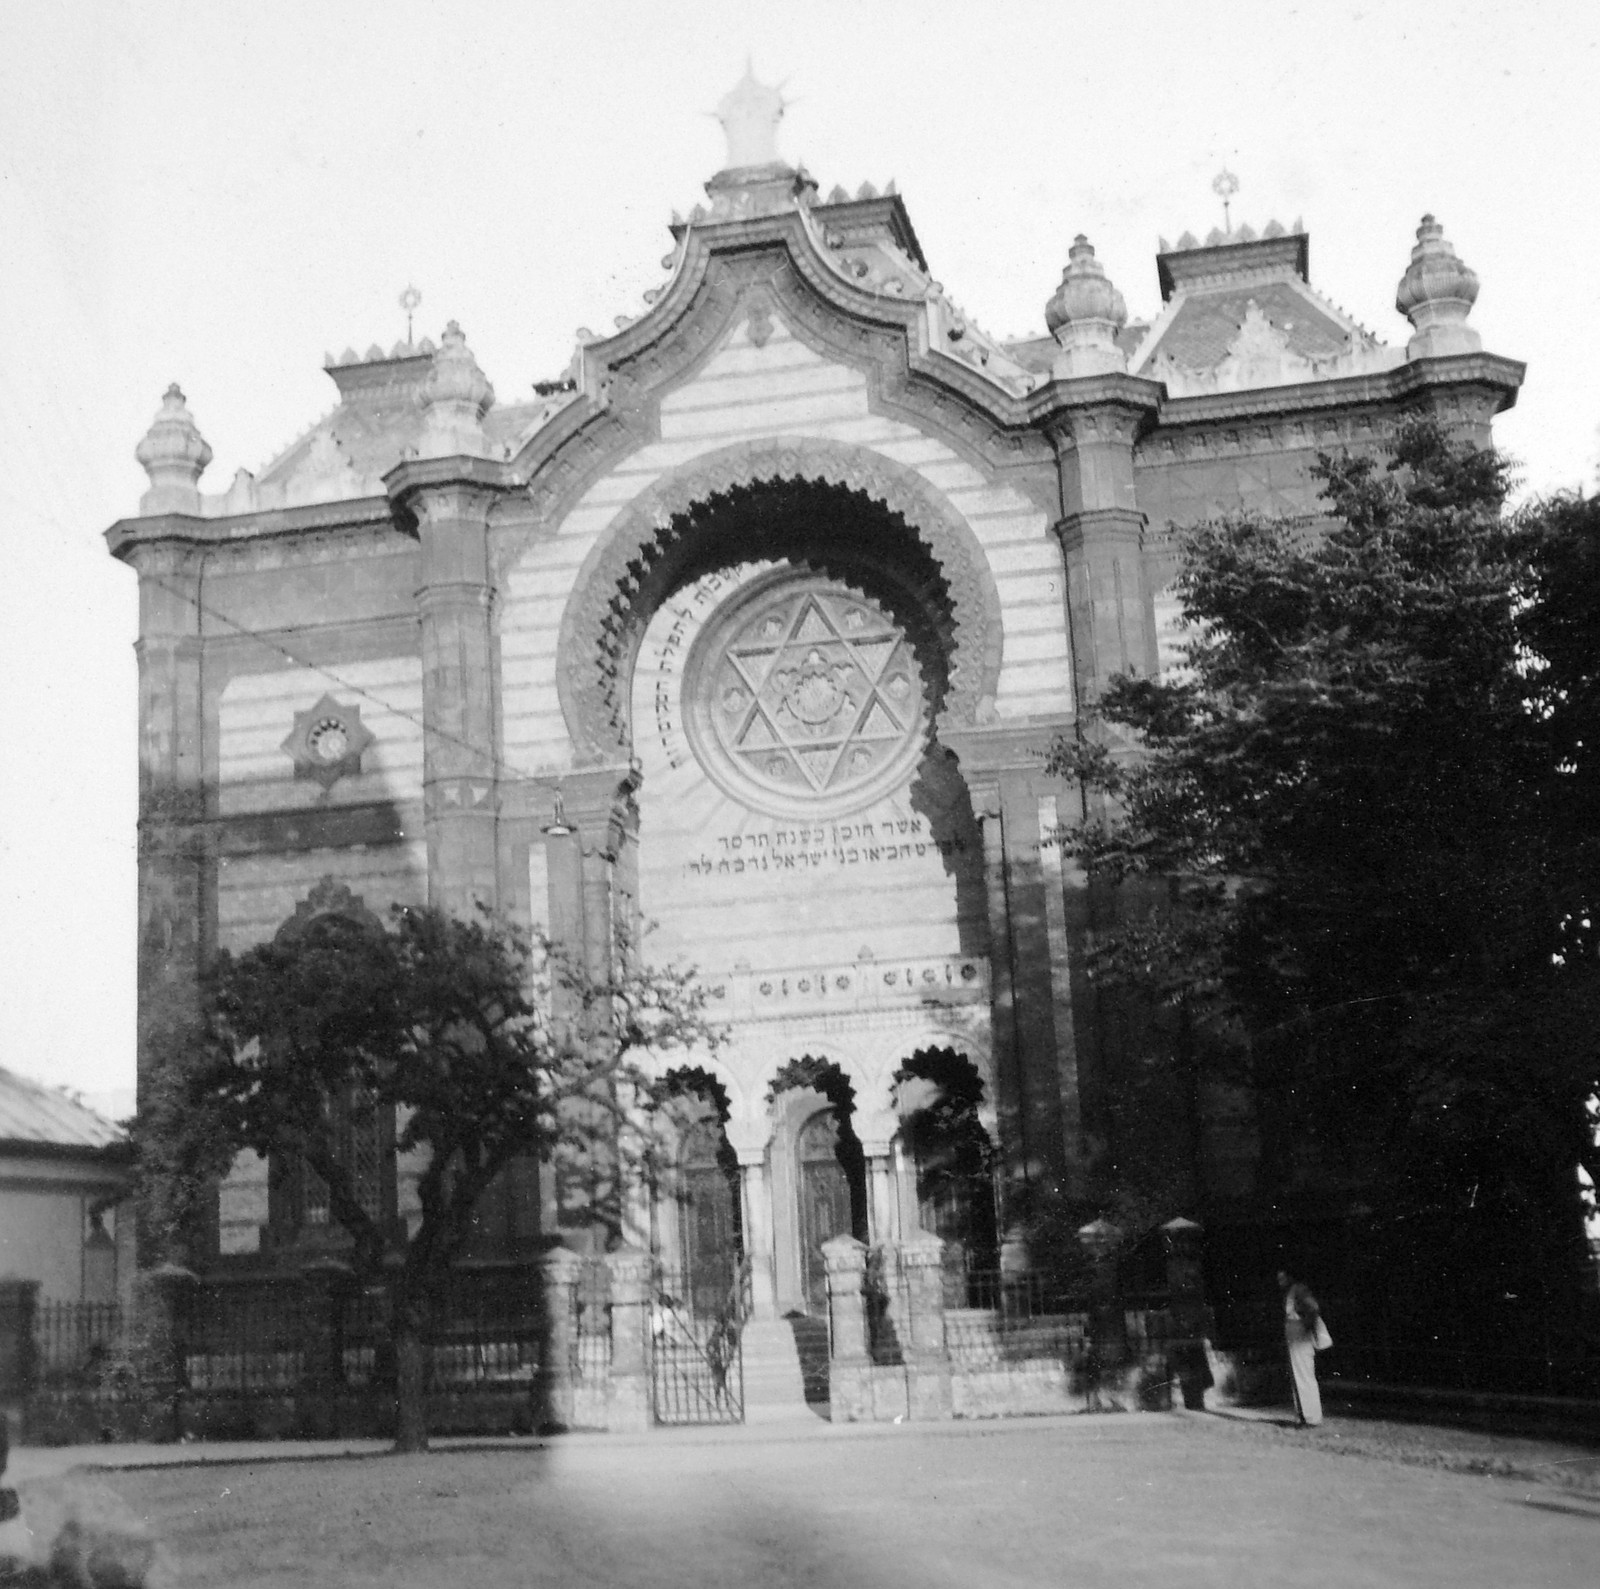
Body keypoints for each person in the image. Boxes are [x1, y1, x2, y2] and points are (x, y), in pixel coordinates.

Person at [1277, 1268, 1330, 1426]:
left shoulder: (1299, 1290)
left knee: (1303, 1374)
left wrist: (1306, 1327)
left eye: (1282, 1278)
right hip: (1294, 1334)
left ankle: (1311, 1417)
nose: (1280, 1282)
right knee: (1297, 1374)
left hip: (1299, 1334)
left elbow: (1312, 1308)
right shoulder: (1291, 1292)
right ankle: (1303, 1414)